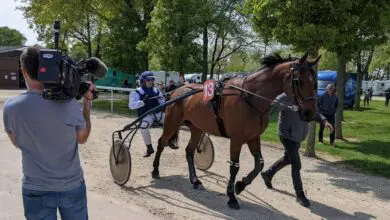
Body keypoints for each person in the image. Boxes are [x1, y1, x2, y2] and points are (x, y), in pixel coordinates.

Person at [2, 46, 94, 219]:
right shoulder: (69, 104)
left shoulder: (11, 107)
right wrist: (86, 108)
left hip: (35, 188)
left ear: (24, 71)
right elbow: (82, 138)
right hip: (71, 186)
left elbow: (16, 142)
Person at [261, 92, 334, 208]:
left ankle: (268, 174)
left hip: (298, 135)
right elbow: (272, 106)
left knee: (288, 158)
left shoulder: (306, 96)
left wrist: (325, 121)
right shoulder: (286, 96)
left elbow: (314, 112)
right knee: (296, 163)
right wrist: (278, 103)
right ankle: (299, 194)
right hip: (287, 135)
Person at [129, 71, 179, 157]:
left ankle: (169, 140)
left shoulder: (157, 91)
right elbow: (131, 105)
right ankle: (149, 148)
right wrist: (143, 102)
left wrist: (166, 100)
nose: (151, 82)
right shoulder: (137, 92)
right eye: (148, 80)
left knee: (173, 122)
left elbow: (162, 102)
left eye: (152, 80)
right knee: (144, 126)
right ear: (143, 81)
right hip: (146, 115)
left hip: (158, 113)